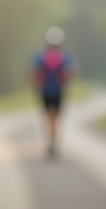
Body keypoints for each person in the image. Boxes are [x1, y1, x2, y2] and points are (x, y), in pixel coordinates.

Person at [31, 26, 75, 158]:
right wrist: (65, 82)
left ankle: (50, 142)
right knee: (56, 117)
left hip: (44, 91)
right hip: (59, 91)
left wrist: (37, 85)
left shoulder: (40, 55)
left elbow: (32, 72)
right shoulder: (64, 56)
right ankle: (53, 142)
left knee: (47, 116)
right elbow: (71, 73)